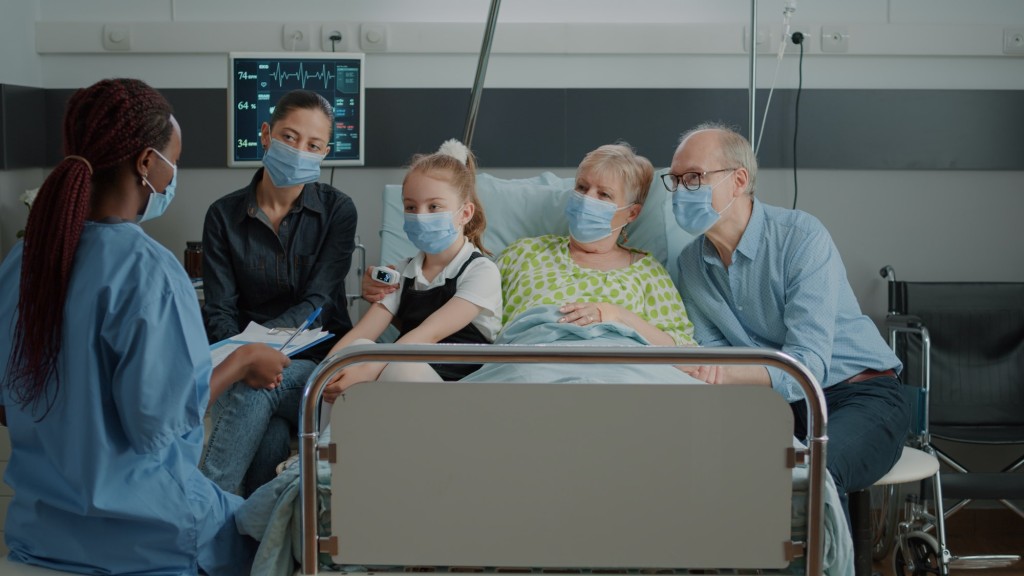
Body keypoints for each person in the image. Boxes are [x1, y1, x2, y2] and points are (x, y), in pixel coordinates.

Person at [0, 78, 289, 575]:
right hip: (147, 535)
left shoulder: (23, 261)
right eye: (174, 160)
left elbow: (10, 406)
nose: (173, 175)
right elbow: (158, 423)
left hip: (41, 532)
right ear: (147, 163)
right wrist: (241, 360)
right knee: (278, 532)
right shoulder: (146, 270)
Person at [666, 122, 911, 520]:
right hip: (776, 405)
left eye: (692, 178)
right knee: (705, 472)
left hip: (860, 395)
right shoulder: (692, 265)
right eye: (674, 181)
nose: (680, 192)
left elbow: (808, 364)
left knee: (813, 475)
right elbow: (712, 354)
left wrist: (718, 372)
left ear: (739, 180)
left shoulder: (800, 237)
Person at [365, 142, 696, 350]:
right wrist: (394, 292)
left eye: (604, 195)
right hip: (529, 373)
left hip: (621, 375)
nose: (586, 199)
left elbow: (681, 348)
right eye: (582, 187)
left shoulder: (647, 272)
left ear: (632, 213)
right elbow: (456, 313)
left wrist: (616, 315)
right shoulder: (524, 254)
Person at [200, 89, 358, 497]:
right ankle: (249, 541)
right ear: (266, 135)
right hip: (241, 362)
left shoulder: (338, 211)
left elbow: (319, 304)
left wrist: (255, 355)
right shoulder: (222, 215)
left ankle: (198, 512)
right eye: (289, 137)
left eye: (314, 145)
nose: (300, 150)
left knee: (252, 391)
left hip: (313, 365)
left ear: (325, 153)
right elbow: (219, 309)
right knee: (267, 436)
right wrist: (243, 356)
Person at [321, 139, 501, 403]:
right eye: (410, 207)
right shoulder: (403, 273)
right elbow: (363, 332)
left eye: (434, 207)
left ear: (465, 213)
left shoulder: (480, 271)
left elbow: (429, 333)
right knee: (355, 353)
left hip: (460, 390)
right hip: (402, 370)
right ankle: (325, 443)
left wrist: (371, 368)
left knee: (399, 365)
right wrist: (324, 372)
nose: (420, 215)